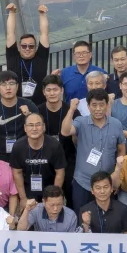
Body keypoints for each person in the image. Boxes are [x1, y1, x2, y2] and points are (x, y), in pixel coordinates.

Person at [61, 89, 126, 213]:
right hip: (83, 181)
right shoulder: (81, 122)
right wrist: (71, 110)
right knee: (82, 217)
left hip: (107, 182)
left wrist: (117, 175)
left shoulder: (116, 124)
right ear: (88, 106)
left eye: (102, 105)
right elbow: (65, 131)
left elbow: (121, 149)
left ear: (107, 105)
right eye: (94, 105)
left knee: (106, 218)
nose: (98, 109)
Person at [16, 186, 80, 253]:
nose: (55, 209)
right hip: (40, 250)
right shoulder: (35, 210)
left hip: (61, 252)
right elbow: (20, 229)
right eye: (52, 205)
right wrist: (26, 209)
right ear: (43, 201)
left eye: (59, 204)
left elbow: (72, 246)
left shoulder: (71, 216)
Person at [38, 74, 79, 207]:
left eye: (55, 89)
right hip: (45, 159)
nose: (52, 93)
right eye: (48, 90)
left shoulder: (72, 111)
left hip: (68, 158)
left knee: (71, 193)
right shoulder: (38, 111)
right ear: (43, 92)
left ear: (61, 90)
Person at [0, 71, 38, 163]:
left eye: (11, 83)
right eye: (3, 84)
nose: (8, 88)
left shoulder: (29, 105)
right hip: (0, 157)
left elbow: (39, 131)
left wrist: (28, 116)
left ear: (17, 86)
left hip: (26, 154)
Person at [11, 113, 66, 205]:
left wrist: (54, 197)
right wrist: (23, 198)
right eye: (31, 125)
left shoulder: (54, 145)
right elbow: (17, 173)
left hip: (50, 190)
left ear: (43, 126)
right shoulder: (18, 146)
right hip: (28, 192)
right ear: (25, 128)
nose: (34, 128)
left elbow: (60, 172)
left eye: (38, 124)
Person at [5, 3, 50, 104]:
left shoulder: (41, 57)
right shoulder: (13, 57)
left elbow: (44, 33)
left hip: (39, 105)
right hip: (16, 104)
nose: (27, 48)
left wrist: (42, 14)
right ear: (19, 46)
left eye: (31, 46)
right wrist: (12, 12)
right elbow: (10, 33)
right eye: (24, 46)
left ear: (36, 47)